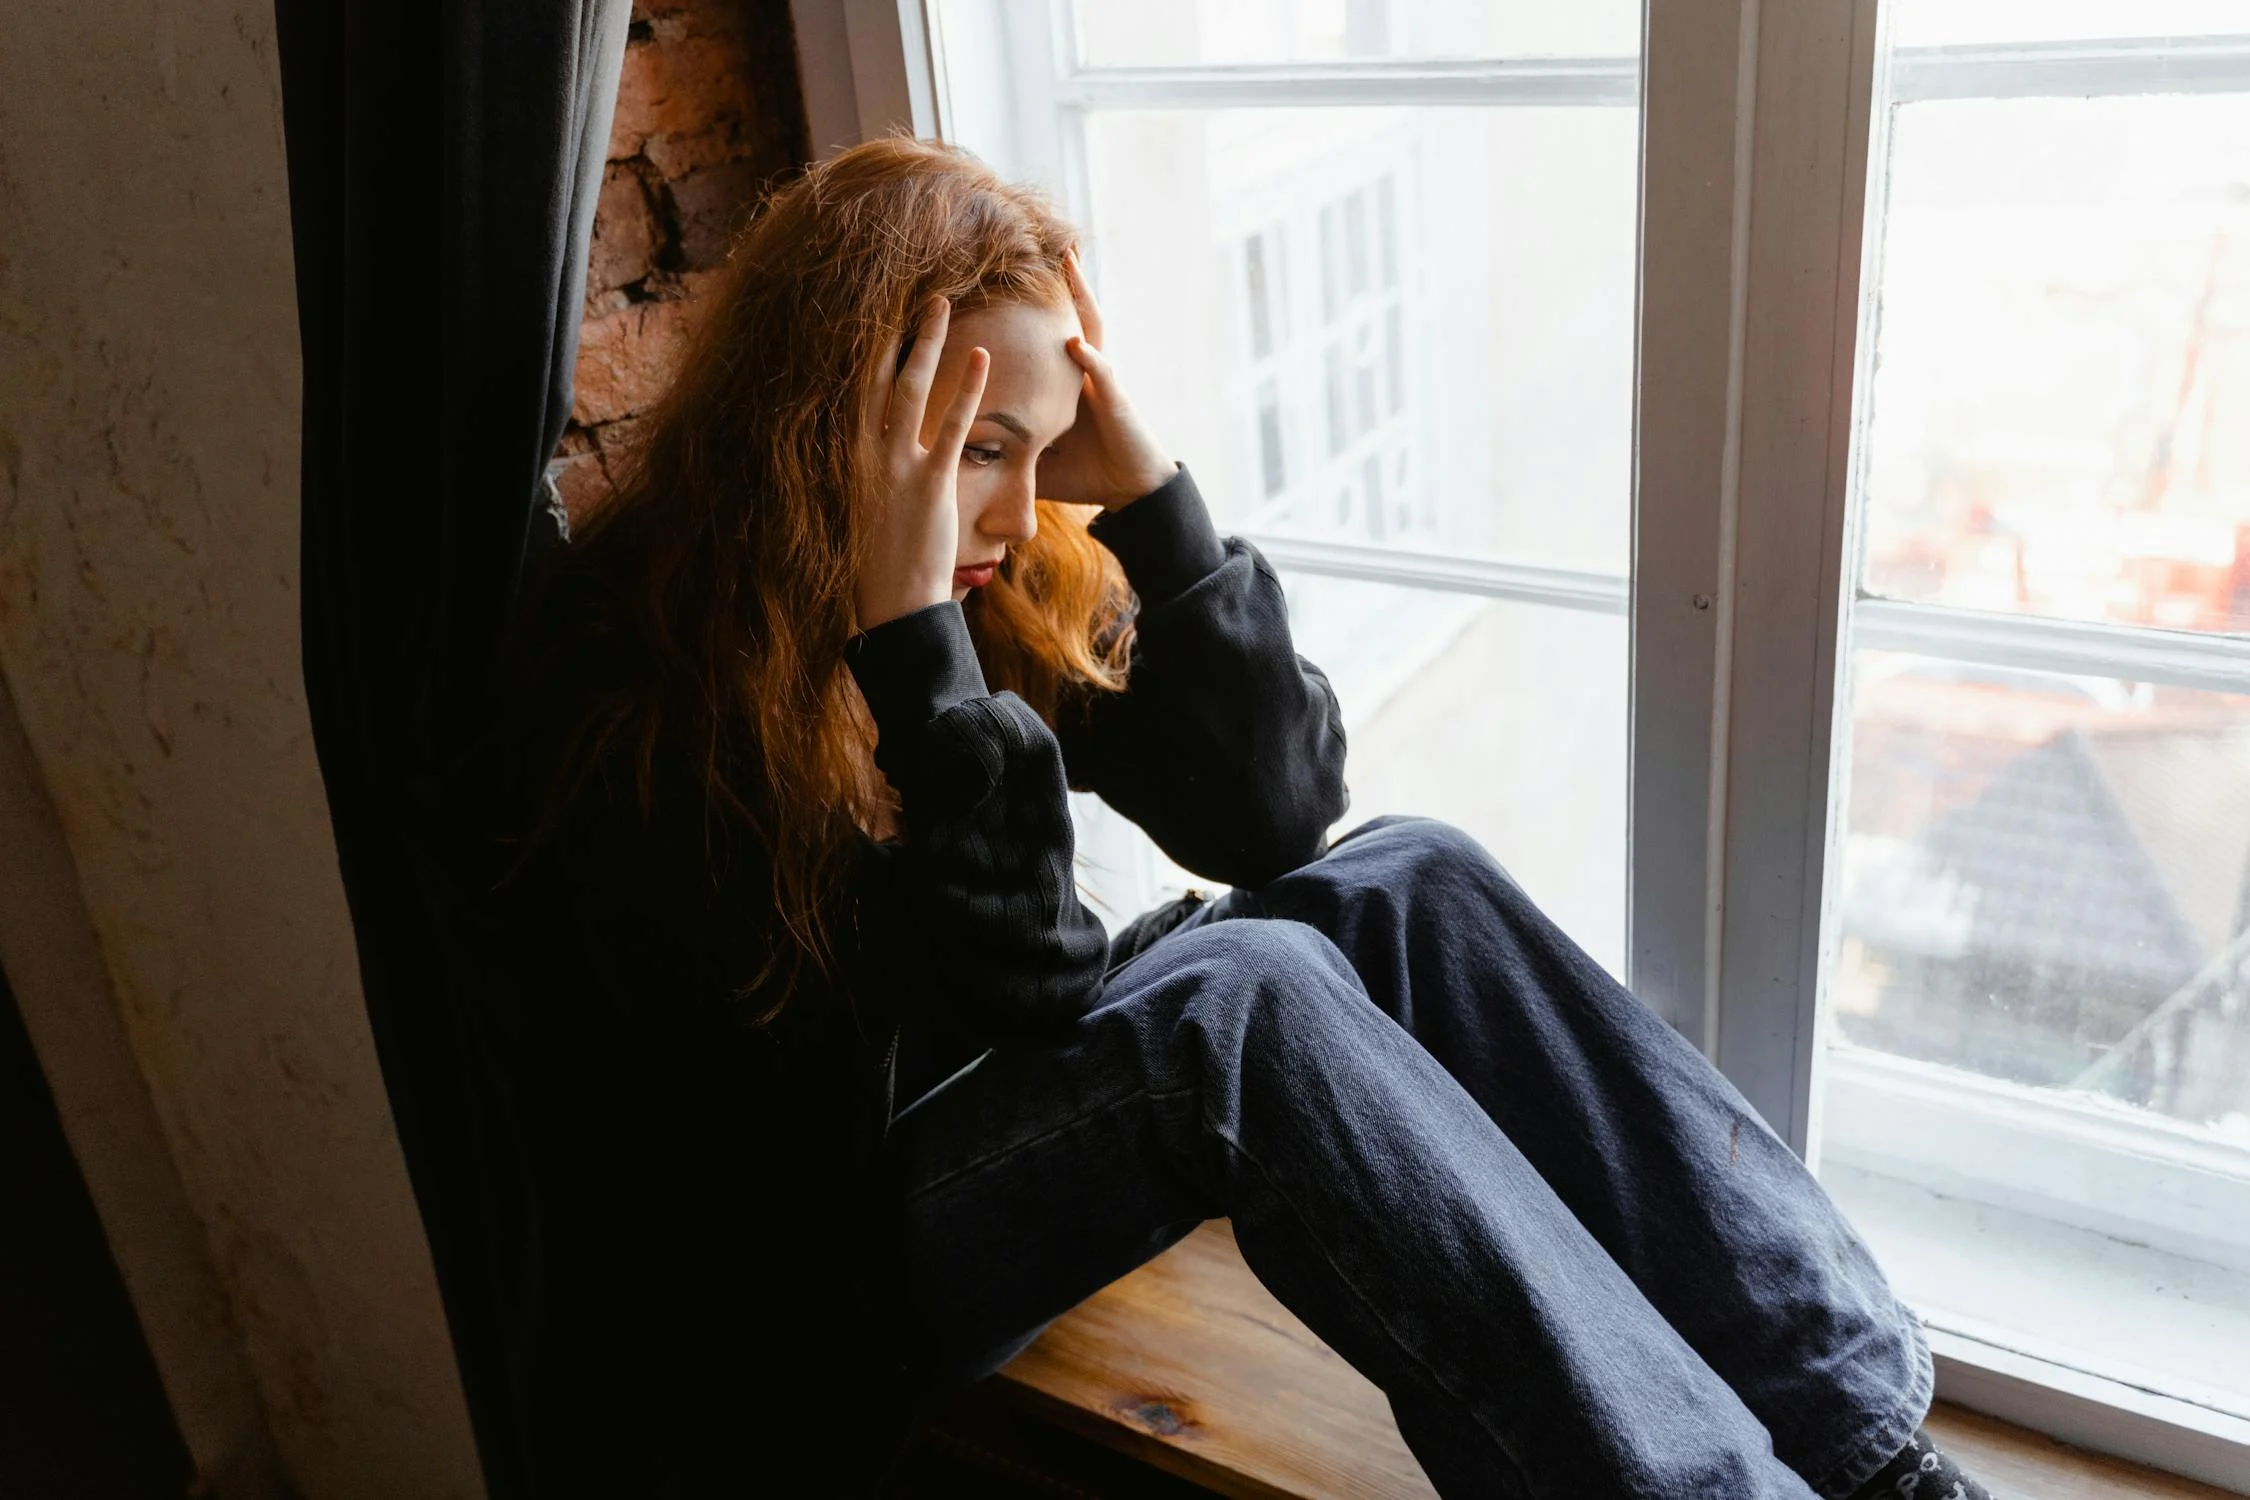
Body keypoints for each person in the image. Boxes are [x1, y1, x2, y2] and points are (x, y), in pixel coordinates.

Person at [487, 136, 1991, 1499]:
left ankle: (1868, 1459)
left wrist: (1145, 488)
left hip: (959, 1115)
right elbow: (1020, 992)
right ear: (831, 425)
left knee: (1411, 877)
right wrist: (911, 652)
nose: (1014, 518)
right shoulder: (635, 678)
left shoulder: (984, 584)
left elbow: (1275, 812)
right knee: (1239, 1000)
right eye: (976, 451)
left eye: (1041, 439)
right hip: (808, 1281)